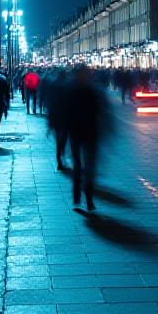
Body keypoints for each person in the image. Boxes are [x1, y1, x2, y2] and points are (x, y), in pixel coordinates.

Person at [63, 64, 109, 211]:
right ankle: (87, 199)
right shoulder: (93, 90)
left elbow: (65, 112)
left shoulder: (70, 90)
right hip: (88, 132)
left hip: (78, 133)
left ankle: (80, 197)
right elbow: (101, 112)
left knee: (81, 166)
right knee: (86, 166)